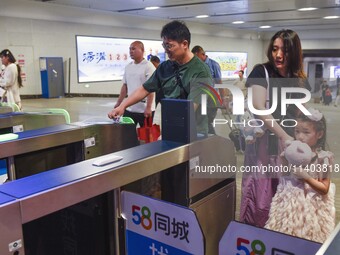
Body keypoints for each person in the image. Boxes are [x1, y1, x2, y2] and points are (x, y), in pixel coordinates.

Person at [239, 29, 311, 227]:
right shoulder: (261, 72)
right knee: (261, 197)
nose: (278, 55)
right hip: (266, 145)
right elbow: (259, 107)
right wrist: (284, 137)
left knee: (289, 195)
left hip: (291, 149)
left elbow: (300, 115)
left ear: (294, 53)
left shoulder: (300, 79)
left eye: (284, 50)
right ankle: (256, 238)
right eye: (274, 49)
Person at [108, 20, 216, 136]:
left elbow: (190, 108)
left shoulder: (200, 72)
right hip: (172, 128)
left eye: (169, 45)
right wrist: (123, 106)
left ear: (184, 44)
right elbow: (145, 89)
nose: (166, 50)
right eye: (164, 45)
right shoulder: (165, 67)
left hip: (195, 132)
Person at [265, 109, 335, 243]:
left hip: (312, 210)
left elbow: (324, 188)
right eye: (297, 131)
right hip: (289, 206)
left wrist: (306, 178)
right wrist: (284, 161)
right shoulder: (293, 153)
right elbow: (285, 177)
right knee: (285, 236)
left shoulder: (322, 158)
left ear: (319, 134)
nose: (300, 137)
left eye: (306, 132)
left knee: (309, 239)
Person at [114, 41, 156, 127]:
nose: (131, 51)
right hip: (130, 108)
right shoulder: (128, 66)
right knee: (127, 134)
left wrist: (148, 108)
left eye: (134, 48)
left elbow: (151, 89)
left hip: (144, 109)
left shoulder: (148, 66)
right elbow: (125, 86)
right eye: (130, 49)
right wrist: (119, 103)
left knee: (146, 136)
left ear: (142, 50)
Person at [191, 45, 226, 134]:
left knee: (206, 123)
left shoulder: (213, 65)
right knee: (200, 123)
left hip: (212, 100)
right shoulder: (197, 65)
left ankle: (213, 142)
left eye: (196, 57)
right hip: (201, 100)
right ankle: (208, 142)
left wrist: (224, 99)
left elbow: (219, 82)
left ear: (202, 54)